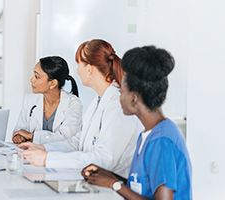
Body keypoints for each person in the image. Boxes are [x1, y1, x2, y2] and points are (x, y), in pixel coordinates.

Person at [81, 46, 192, 199]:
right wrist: (108, 176)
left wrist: (114, 184)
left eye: (122, 92)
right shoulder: (147, 135)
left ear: (133, 98)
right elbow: (142, 187)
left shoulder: (162, 140)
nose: (119, 97)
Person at [20, 39, 141, 178]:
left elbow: (105, 160)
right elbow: (77, 142)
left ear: (89, 69)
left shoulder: (118, 105)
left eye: (79, 64)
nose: (77, 70)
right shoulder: (98, 100)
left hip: (114, 186)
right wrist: (43, 148)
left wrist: (47, 159)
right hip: (93, 179)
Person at [11, 56, 82, 145]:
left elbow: (65, 138)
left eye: (37, 76)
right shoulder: (30, 100)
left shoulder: (73, 104)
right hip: (30, 155)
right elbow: (19, 130)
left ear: (52, 83)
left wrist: (32, 136)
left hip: (59, 157)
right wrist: (18, 137)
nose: (31, 80)